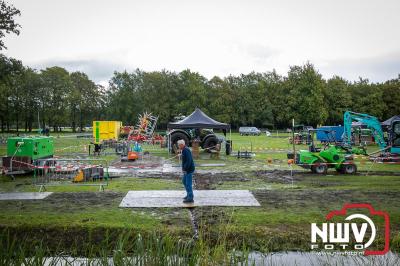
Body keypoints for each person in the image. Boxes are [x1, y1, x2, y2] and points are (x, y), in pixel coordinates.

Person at [178, 139, 195, 203]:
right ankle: (188, 195)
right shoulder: (183, 150)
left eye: (179, 145)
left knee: (188, 184)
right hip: (186, 170)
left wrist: (185, 169)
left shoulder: (186, 150)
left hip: (189, 169)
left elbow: (189, 161)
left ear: (182, 145)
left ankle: (190, 198)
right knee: (184, 181)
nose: (178, 146)